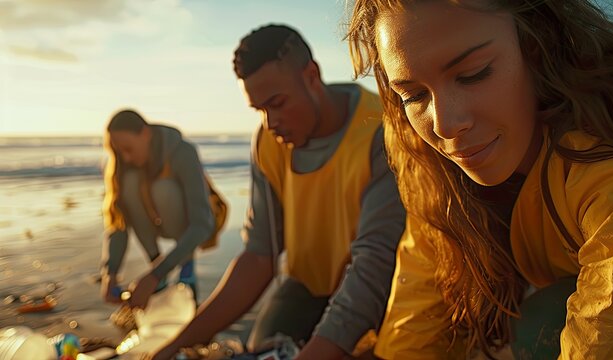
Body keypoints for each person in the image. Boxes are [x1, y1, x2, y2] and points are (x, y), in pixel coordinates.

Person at [347, 0, 613, 359]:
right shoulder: (437, 179)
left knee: (543, 322)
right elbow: (414, 321)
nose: (445, 124)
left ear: (537, 47)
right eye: (414, 95)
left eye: (473, 73)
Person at [150, 24, 406, 359]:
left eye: (278, 103)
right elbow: (259, 256)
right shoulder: (269, 142)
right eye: (260, 110)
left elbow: (375, 264)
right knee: (261, 349)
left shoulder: (382, 130)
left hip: (384, 291)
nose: (270, 122)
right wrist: (172, 346)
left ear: (312, 75)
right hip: (306, 289)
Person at [101, 109, 218, 309]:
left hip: (194, 224)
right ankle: (155, 261)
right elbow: (118, 222)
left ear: (145, 134)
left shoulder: (183, 152)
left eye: (128, 149)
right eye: (120, 152)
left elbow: (202, 224)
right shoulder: (126, 164)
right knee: (128, 183)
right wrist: (110, 272)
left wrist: (155, 275)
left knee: (163, 188)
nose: (126, 158)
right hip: (154, 223)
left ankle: (186, 267)